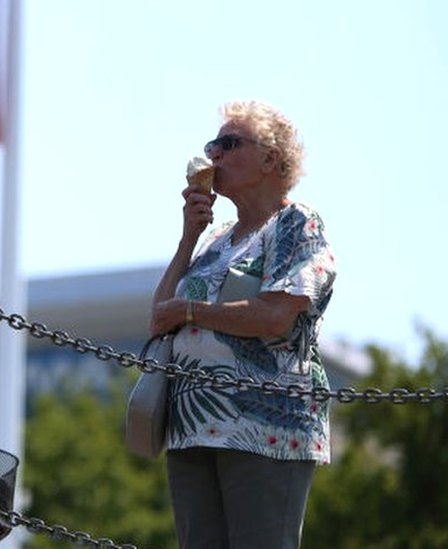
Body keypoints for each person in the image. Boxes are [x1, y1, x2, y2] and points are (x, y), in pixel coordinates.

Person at [150, 100, 336, 549]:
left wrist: (190, 312)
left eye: (229, 144)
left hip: (264, 428)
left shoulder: (296, 223)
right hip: (193, 428)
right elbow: (159, 316)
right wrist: (187, 239)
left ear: (271, 158)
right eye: (213, 144)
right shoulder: (215, 240)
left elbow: (274, 315)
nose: (214, 155)